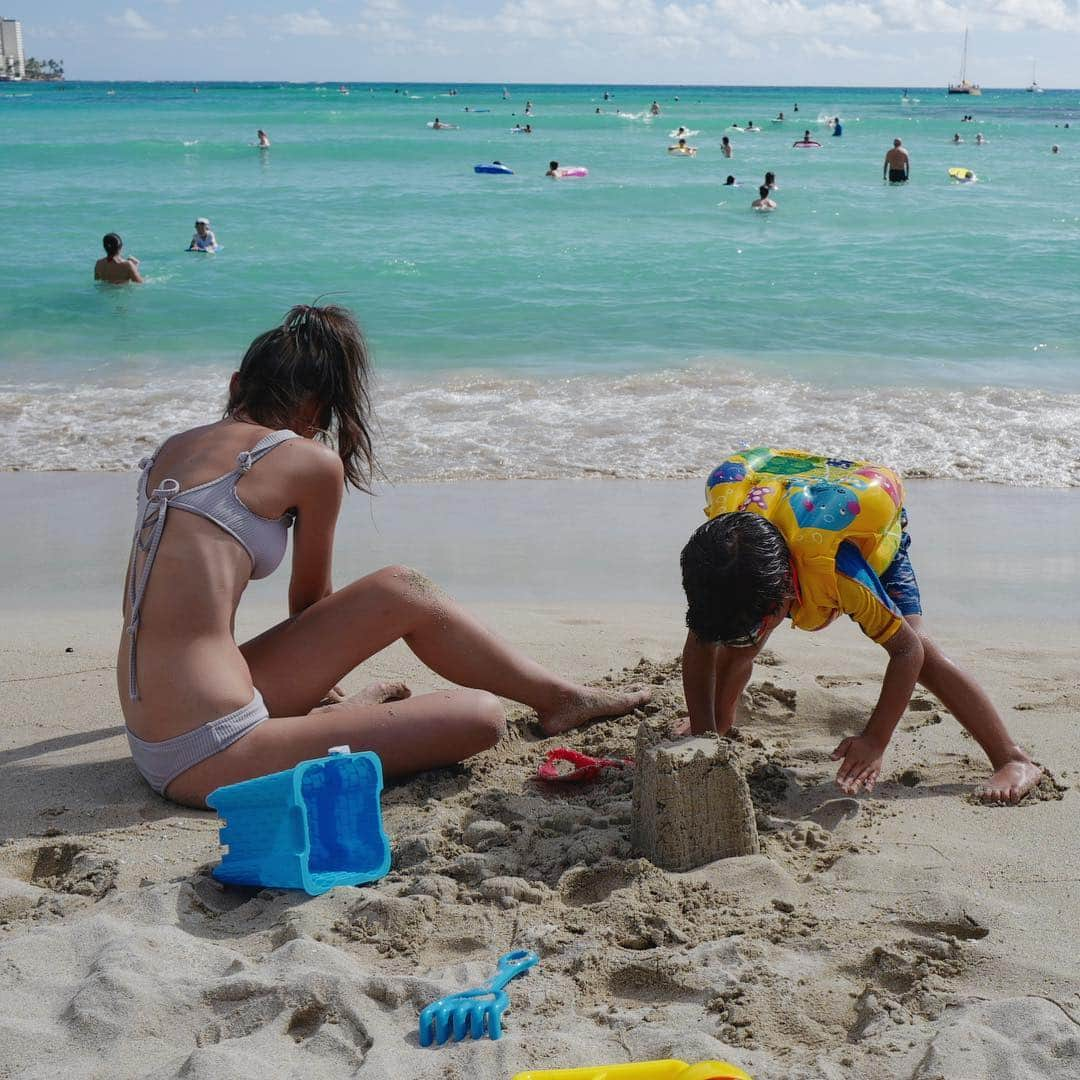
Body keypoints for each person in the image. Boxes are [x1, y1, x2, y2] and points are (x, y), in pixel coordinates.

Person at [118, 304, 648, 807]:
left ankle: (557, 698)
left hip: (155, 721)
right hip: (213, 749)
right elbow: (311, 607)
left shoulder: (175, 447)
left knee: (402, 585)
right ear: (317, 408)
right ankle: (549, 700)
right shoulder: (308, 460)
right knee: (481, 716)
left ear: (237, 385)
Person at [677, 448, 1043, 804]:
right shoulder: (722, 564)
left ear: (786, 593)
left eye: (758, 625)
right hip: (779, 533)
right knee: (736, 640)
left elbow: (906, 652)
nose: (749, 635)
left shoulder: (844, 578)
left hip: (867, 538)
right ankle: (719, 726)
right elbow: (701, 641)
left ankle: (1012, 758)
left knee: (922, 651)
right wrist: (703, 730)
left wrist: (875, 739)